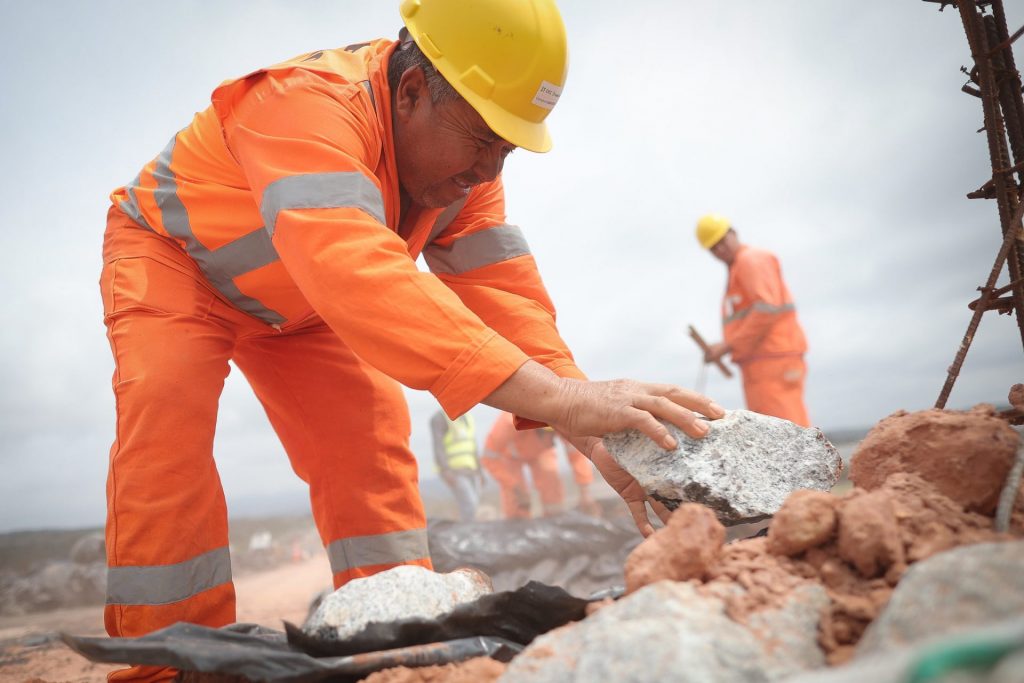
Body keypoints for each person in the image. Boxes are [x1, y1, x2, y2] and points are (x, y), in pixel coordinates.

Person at [99, 1, 723, 679]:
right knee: (166, 426)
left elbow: (507, 300)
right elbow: (357, 273)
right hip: (177, 261)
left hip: (305, 303)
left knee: (371, 439)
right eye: (480, 140)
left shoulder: (464, 179)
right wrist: (563, 399)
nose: (487, 171)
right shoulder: (302, 105)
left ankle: (397, 643)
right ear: (411, 90)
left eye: (505, 151)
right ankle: (165, 665)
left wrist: (593, 431)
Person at [696, 214, 810, 426]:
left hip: (773, 358)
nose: (720, 249)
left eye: (722, 241)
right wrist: (726, 346)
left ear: (733, 233)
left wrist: (727, 346)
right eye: (713, 247)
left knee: (784, 428)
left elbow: (766, 309)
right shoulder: (738, 268)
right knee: (774, 428)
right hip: (761, 360)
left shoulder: (751, 260)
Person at [482, 411, 599, 519]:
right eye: (551, 437)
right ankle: (519, 526)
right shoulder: (508, 423)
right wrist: (515, 487)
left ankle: (555, 521)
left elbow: (576, 454)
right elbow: (489, 459)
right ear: (538, 432)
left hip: (541, 453)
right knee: (515, 500)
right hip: (510, 457)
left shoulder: (557, 418)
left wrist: (585, 493)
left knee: (550, 483)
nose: (554, 443)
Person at [430, 410, 484, 522]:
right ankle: (468, 533)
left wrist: (480, 471)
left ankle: (470, 532)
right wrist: (445, 471)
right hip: (455, 472)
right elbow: (438, 446)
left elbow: (473, 445)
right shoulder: (439, 418)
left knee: (474, 506)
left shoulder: (468, 418)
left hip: (472, 470)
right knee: (470, 506)